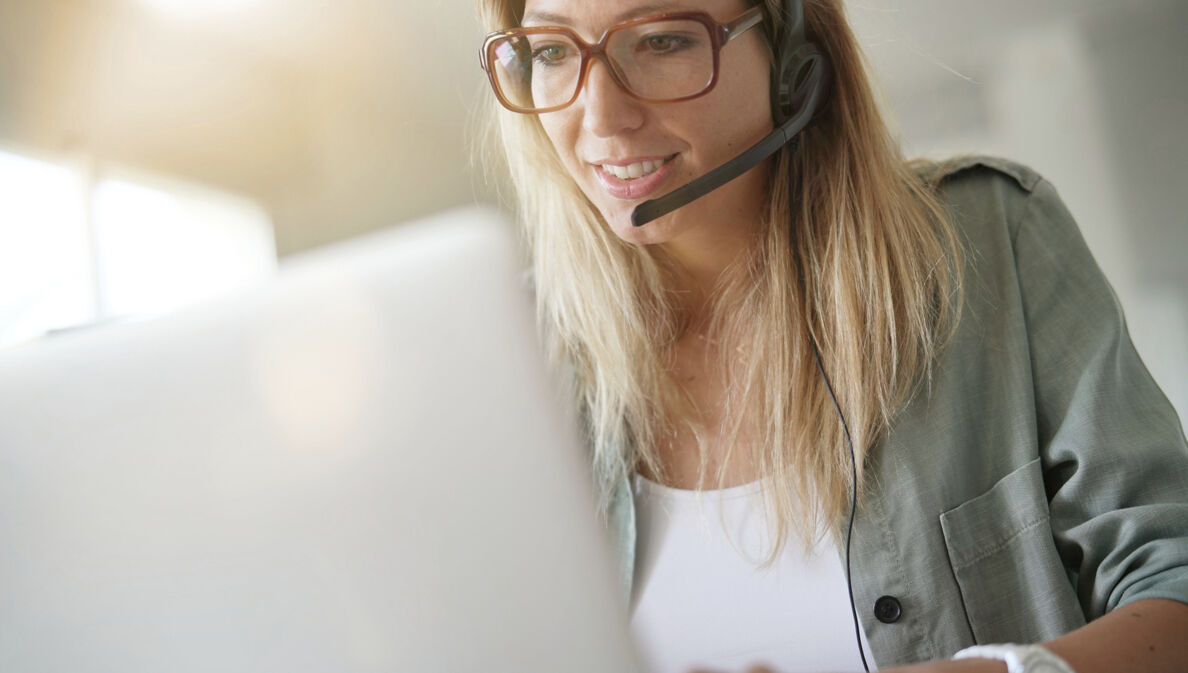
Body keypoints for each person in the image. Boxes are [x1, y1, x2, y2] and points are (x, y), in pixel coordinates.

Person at [475, 0, 1188, 671]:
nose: (600, 115)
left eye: (663, 40)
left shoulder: (991, 242)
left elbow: (1175, 581)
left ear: (792, 55)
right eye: (549, 50)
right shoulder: (508, 362)